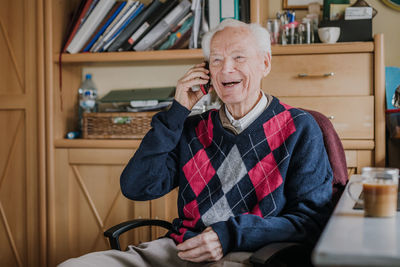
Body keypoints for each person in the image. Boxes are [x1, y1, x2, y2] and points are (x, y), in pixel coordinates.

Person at [59, 19, 333, 267]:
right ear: (206, 72)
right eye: (216, 60)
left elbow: (309, 221)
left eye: (238, 57)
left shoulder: (299, 127)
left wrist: (227, 235)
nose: (226, 69)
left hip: (250, 253)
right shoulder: (193, 128)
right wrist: (178, 111)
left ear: (265, 63)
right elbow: (137, 186)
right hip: (179, 250)